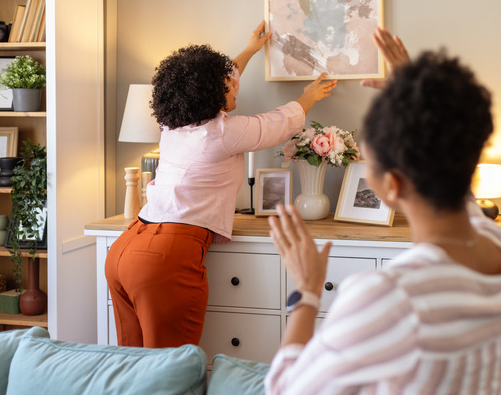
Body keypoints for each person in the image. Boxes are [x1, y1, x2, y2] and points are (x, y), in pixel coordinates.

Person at [265, 34, 501, 394]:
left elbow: (284, 390)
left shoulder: (391, 296)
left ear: (392, 185)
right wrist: (418, 96)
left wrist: (307, 293)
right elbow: (454, 168)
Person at [105, 21, 337, 348]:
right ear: (211, 94)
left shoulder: (171, 123)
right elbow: (277, 125)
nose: (235, 88)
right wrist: (308, 96)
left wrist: (250, 50)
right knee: (171, 371)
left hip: (126, 248)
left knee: (134, 365)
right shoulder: (223, 133)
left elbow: (222, 77)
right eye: (228, 86)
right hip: (164, 257)